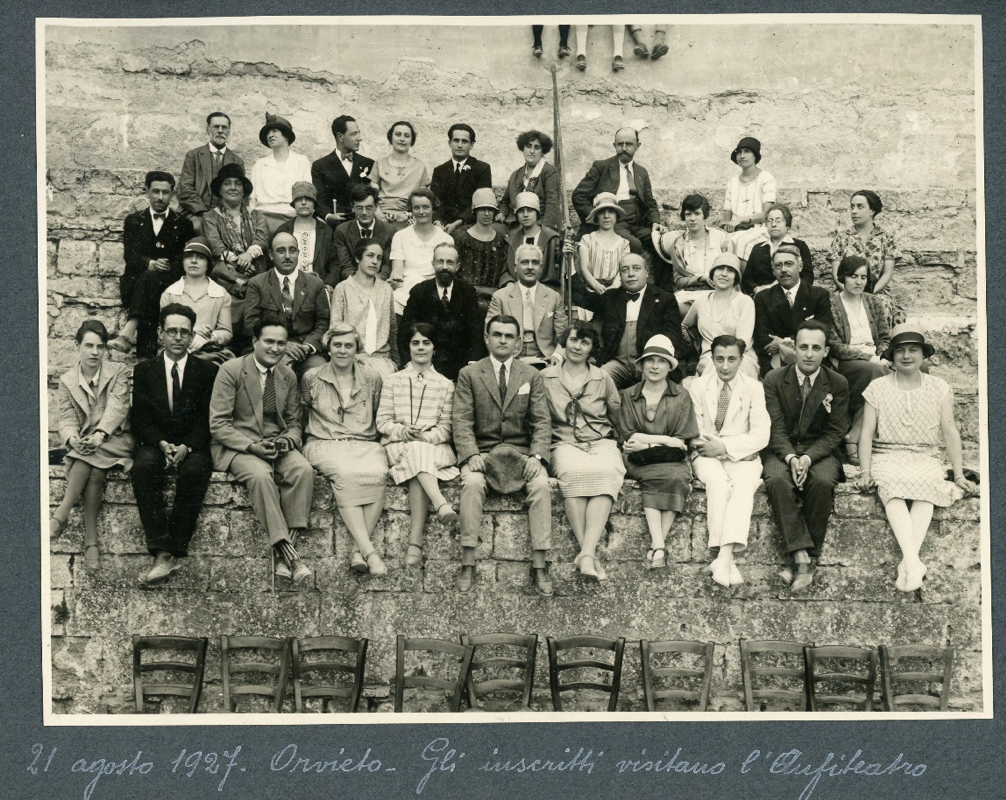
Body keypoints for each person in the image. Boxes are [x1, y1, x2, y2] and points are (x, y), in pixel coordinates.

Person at [855, 324, 978, 592]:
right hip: (887, 455)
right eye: (900, 351)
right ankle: (913, 563)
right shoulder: (877, 388)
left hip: (925, 455)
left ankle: (908, 565)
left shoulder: (939, 387)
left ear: (924, 355)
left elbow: (949, 430)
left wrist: (958, 474)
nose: (907, 356)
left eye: (913, 350)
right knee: (892, 487)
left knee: (927, 486)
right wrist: (865, 472)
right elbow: (866, 434)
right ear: (892, 356)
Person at [209, 316, 315, 584]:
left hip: (275, 443)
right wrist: (252, 446)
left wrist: (286, 442)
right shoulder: (231, 370)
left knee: (303, 470)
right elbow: (218, 424)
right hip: (240, 445)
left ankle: (283, 556)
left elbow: (294, 423)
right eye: (269, 341)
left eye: (281, 343)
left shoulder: (288, 375)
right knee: (260, 476)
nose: (275, 348)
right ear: (255, 341)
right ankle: (292, 557)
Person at [453, 315, 553, 594]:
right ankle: (468, 561)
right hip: (483, 452)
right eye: (497, 334)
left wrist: (536, 457)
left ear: (518, 342)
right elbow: (461, 420)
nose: (503, 340)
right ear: (487, 338)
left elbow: (542, 421)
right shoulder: (470, 374)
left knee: (541, 485)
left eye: (509, 336)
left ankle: (540, 564)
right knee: (472, 484)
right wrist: (471, 454)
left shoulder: (531, 375)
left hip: (521, 453)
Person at [130, 304, 218, 586]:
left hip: (192, 444)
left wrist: (187, 446)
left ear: (192, 336)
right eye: (172, 331)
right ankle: (161, 549)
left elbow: (208, 417)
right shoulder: (144, 370)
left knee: (195, 471)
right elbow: (140, 417)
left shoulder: (207, 371)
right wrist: (162, 443)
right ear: (160, 333)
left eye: (184, 332)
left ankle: (172, 550)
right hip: (157, 441)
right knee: (143, 466)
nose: (178, 337)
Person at [762, 321, 849, 593]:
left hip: (820, 450)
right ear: (794, 349)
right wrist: (790, 457)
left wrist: (808, 458)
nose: (809, 354)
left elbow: (835, 432)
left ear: (826, 351)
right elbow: (774, 427)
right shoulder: (775, 379)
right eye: (803, 347)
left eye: (816, 348)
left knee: (821, 482)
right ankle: (803, 559)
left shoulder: (837, 383)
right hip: (782, 448)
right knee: (777, 480)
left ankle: (799, 560)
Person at [301, 324, 389, 577]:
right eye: (337, 345)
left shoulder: (372, 377)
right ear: (328, 347)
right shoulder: (312, 377)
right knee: (346, 473)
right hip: (324, 442)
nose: (342, 350)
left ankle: (357, 552)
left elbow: (377, 411)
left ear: (356, 349)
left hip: (364, 443)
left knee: (379, 472)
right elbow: (303, 410)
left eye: (348, 345)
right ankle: (370, 552)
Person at [542, 322, 624, 581]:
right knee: (573, 473)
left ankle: (586, 554)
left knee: (609, 473)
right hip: (563, 443)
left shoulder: (603, 377)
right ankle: (588, 554)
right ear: (564, 342)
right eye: (574, 340)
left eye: (585, 342)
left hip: (600, 442)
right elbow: (538, 419)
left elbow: (616, 415)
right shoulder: (546, 377)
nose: (577, 346)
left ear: (592, 349)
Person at [687, 335, 770, 587]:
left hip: (740, 456)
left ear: (741, 359)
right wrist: (717, 448)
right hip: (706, 454)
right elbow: (695, 430)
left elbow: (761, 435)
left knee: (745, 484)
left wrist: (724, 447)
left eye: (731, 359)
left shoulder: (753, 388)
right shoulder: (698, 386)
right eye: (719, 359)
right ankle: (726, 560)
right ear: (712, 359)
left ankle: (722, 557)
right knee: (717, 482)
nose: (725, 366)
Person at [51, 321, 134, 570]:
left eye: (100, 347)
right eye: (88, 346)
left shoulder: (117, 371)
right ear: (77, 346)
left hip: (117, 439)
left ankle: (60, 516)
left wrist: (99, 434)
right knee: (96, 470)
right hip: (87, 444)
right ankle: (91, 543)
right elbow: (66, 419)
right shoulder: (67, 380)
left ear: (106, 349)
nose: (95, 352)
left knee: (85, 457)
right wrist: (72, 439)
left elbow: (118, 407)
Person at [376, 322, 460, 566]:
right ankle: (440, 504)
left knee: (418, 456)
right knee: (416, 453)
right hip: (398, 445)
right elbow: (382, 421)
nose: (421, 347)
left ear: (434, 348)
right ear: (408, 347)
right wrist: (403, 431)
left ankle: (415, 544)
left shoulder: (445, 384)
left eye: (426, 342)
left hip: (434, 448)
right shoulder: (393, 381)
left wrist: (426, 437)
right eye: (415, 343)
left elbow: (446, 427)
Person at [615, 335, 698, 570]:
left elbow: (681, 441)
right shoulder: (629, 394)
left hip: (670, 458)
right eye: (650, 360)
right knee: (653, 475)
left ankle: (657, 546)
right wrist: (664, 440)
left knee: (677, 477)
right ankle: (659, 545)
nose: (654, 366)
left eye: (661, 361)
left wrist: (648, 444)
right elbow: (629, 437)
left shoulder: (681, 395)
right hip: (637, 456)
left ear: (669, 367)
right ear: (641, 365)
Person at [109, 171, 194, 357]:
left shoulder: (183, 224)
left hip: (169, 281)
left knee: (151, 283)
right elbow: (130, 256)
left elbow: (184, 257)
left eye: (165, 192)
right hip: (136, 283)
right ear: (147, 191)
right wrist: (150, 263)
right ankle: (146, 359)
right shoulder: (133, 220)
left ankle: (129, 336)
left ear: (172, 193)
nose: (160, 197)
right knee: (149, 279)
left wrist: (167, 265)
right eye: (156, 191)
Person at [829, 255, 892, 462]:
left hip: (876, 360)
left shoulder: (873, 302)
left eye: (863, 277)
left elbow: (884, 337)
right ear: (843, 277)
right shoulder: (831, 304)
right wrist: (870, 358)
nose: (858, 282)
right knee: (879, 373)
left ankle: (854, 435)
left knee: (916, 371)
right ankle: (856, 437)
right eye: (853, 276)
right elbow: (836, 346)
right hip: (847, 361)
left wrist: (881, 355)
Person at [200, 163, 269, 350]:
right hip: (227, 275)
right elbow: (215, 245)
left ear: (244, 189)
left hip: (256, 272)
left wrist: (249, 254)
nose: (233, 188)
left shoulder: (256, 215)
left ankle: (252, 345)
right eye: (227, 183)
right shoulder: (210, 217)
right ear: (220, 190)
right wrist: (238, 260)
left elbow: (262, 238)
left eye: (237, 184)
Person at [593, 254, 685, 389]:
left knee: (651, 386)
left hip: (649, 363)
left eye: (636, 268)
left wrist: (652, 362)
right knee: (599, 381)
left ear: (646, 272)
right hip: (618, 364)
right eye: (625, 270)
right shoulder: (610, 298)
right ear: (620, 276)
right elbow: (594, 329)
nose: (630, 274)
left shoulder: (665, 299)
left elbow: (673, 337)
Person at [244, 231, 330, 376]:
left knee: (319, 373)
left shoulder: (315, 284)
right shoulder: (257, 283)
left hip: (305, 350)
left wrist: (307, 347)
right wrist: (283, 344)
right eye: (281, 251)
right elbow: (251, 323)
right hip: (270, 348)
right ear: (271, 255)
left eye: (292, 250)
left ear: (298, 253)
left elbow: (323, 322)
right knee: (278, 375)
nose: (288, 256)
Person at [571, 127, 666, 254]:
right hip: (614, 223)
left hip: (637, 224)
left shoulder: (641, 172)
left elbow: (650, 202)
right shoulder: (601, 167)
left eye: (629, 144)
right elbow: (579, 196)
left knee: (664, 241)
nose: (624, 148)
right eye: (620, 144)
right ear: (614, 145)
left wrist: (655, 222)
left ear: (637, 146)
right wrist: (597, 218)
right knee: (634, 244)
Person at [399, 242, 483, 381]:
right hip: (425, 364)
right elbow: (406, 330)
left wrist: (472, 364)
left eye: (450, 262)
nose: (444, 267)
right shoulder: (419, 291)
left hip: (459, 367)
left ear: (457, 266)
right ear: (433, 264)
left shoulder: (467, 292)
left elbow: (476, 330)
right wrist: (409, 364)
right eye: (440, 261)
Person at [753, 244, 835, 376]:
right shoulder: (763, 297)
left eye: (789, 264)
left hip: (810, 356)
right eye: (778, 266)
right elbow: (761, 335)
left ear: (800, 267)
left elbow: (823, 331)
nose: (783, 270)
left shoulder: (818, 295)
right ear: (773, 271)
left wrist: (783, 343)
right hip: (774, 358)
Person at [827, 189, 902, 325]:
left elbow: (887, 274)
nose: (854, 211)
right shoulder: (842, 238)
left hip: (876, 291)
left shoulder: (886, 238)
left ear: (872, 210)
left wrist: (870, 293)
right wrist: (851, 292)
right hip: (845, 291)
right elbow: (836, 274)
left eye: (860, 207)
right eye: (852, 207)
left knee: (882, 306)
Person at [681, 252, 759, 380]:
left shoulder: (745, 302)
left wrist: (715, 358)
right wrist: (697, 346)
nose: (724, 274)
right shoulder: (700, 302)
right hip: (709, 358)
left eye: (730, 271)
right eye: (720, 269)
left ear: (736, 277)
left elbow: (742, 342)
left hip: (740, 358)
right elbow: (684, 325)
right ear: (712, 274)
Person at [487, 243, 568, 365]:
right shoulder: (500, 297)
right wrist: (503, 359)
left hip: (546, 359)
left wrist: (556, 356)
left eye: (535, 263)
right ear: (516, 267)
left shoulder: (554, 297)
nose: (530, 267)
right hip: (510, 358)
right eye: (525, 262)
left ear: (541, 268)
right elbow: (490, 333)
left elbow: (563, 334)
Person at [652, 193, 732, 312]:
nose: (692, 218)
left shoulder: (720, 238)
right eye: (688, 214)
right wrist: (701, 279)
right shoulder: (678, 244)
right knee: (675, 308)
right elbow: (679, 281)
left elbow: (731, 270)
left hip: (718, 291)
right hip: (690, 294)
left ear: (705, 216)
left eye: (697, 213)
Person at [329, 240, 399, 377]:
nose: (375, 261)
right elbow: (335, 330)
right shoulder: (343, 289)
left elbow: (392, 329)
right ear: (357, 258)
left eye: (379, 258)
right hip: (352, 358)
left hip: (382, 360)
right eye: (370, 256)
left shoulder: (386, 289)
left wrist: (397, 363)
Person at [159, 237, 234, 363]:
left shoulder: (221, 294)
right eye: (189, 256)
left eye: (200, 257)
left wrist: (207, 338)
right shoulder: (170, 293)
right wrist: (191, 333)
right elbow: (163, 332)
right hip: (176, 347)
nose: (193, 261)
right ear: (183, 261)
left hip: (209, 350)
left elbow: (226, 332)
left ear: (208, 263)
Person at [388, 188, 455, 314]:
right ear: (411, 210)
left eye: (425, 207)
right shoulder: (400, 236)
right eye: (416, 208)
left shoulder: (446, 239)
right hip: (405, 290)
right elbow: (397, 272)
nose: (421, 212)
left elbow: (444, 272)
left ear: (433, 209)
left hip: (435, 289)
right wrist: (396, 280)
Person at [178, 112, 244, 234]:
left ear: (229, 131)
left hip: (225, 215)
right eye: (216, 127)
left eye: (224, 127)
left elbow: (239, 194)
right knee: (199, 229)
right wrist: (204, 213)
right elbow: (185, 190)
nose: (220, 131)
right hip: (195, 213)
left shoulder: (237, 161)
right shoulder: (193, 156)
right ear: (207, 129)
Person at [249, 113, 312, 237]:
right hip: (264, 218)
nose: (270, 135)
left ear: (286, 135)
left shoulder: (301, 161)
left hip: (292, 217)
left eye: (274, 131)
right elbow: (252, 199)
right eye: (268, 133)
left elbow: (307, 194)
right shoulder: (260, 164)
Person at [569, 192, 631, 314]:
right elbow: (584, 268)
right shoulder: (587, 239)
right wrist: (596, 285)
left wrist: (614, 287)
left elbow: (623, 269)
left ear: (617, 215)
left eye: (611, 212)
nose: (606, 216)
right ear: (596, 216)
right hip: (592, 291)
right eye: (602, 212)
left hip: (616, 292)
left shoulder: (624, 243)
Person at [311, 114, 376, 228]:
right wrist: (328, 216)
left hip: (363, 224)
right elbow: (319, 199)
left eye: (359, 133)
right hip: (334, 227)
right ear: (340, 137)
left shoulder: (368, 163)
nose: (359, 138)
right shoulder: (320, 166)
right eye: (354, 134)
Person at [429, 123, 493, 234]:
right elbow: (436, 202)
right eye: (456, 140)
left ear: (472, 145)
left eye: (464, 141)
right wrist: (438, 223)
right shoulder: (440, 171)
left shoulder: (482, 168)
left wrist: (459, 222)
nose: (459, 145)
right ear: (449, 143)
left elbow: (481, 202)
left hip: (469, 222)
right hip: (443, 223)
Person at [721, 136, 777, 260]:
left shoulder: (766, 178)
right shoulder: (732, 182)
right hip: (734, 230)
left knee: (741, 243)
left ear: (755, 156)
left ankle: (741, 273)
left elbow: (767, 215)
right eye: (739, 152)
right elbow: (725, 218)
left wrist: (741, 220)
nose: (742, 156)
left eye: (747, 151)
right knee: (717, 243)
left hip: (759, 229)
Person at [368, 120, 430, 232]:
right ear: (390, 138)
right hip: (381, 214)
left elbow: (423, 198)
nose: (402, 139)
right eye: (398, 134)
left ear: (412, 140)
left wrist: (407, 214)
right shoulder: (379, 164)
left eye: (406, 136)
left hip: (408, 216)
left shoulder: (419, 166)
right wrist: (379, 214)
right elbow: (372, 195)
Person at [275, 182, 341, 287]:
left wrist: (328, 285)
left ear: (314, 203)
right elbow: (275, 262)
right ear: (294, 204)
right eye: (299, 199)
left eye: (308, 199)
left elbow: (334, 264)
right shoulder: (283, 230)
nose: (303, 203)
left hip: (319, 286)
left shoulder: (325, 231)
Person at [496, 130, 562, 233]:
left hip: (537, 223)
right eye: (528, 146)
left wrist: (546, 230)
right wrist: (502, 213)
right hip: (513, 222)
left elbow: (552, 204)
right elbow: (505, 201)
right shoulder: (516, 174)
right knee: (492, 230)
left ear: (542, 151)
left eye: (537, 147)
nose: (532, 151)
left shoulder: (549, 172)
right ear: (523, 149)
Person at [743, 204, 814, 295]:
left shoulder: (800, 245)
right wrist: (757, 289)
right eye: (770, 221)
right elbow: (747, 278)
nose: (773, 225)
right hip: (763, 297)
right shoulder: (758, 248)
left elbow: (807, 277)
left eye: (778, 221)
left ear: (787, 225)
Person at [453, 188, 510, 298]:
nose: (487, 214)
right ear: (475, 211)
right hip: (465, 295)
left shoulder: (500, 240)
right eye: (482, 209)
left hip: (494, 296)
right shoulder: (461, 238)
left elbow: (504, 270)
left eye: (490, 210)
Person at [334, 183, 395, 282]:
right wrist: (360, 282)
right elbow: (345, 266)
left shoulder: (389, 231)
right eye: (359, 208)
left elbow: (386, 267)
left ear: (376, 207)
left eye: (369, 207)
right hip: (353, 281)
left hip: (379, 282)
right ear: (353, 208)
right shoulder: (342, 231)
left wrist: (374, 282)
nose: (364, 213)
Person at [503, 192, 561, 287]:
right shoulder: (510, 239)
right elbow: (504, 270)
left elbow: (562, 265)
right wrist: (509, 283)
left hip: (545, 289)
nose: (525, 215)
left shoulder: (552, 239)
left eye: (530, 210)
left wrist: (565, 252)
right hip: (517, 288)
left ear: (537, 213)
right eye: (521, 211)